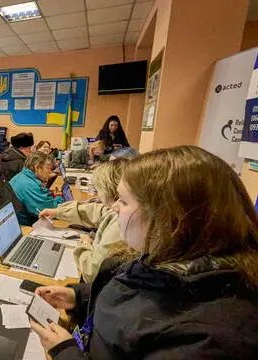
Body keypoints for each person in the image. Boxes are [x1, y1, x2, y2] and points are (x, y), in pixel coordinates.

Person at [30, 146, 258, 359]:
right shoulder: (172, 259)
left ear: (168, 218)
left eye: (125, 201)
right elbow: (134, 292)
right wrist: (80, 296)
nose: (114, 207)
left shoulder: (209, 339)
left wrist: (65, 352)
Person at [39, 159, 129, 282]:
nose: (98, 194)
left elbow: (91, 272)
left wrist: (84, 244)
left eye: (99, 189)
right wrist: (57, 212)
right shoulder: (118, 211)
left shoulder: (121, 223)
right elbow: (99, 211)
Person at [9, 152, 64, 225]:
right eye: (48, 168)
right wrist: (59, 197)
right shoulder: (29, 184)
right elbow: (50, 210)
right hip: (29, 227)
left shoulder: (23, 176)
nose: (50, 172)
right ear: (37, 167)